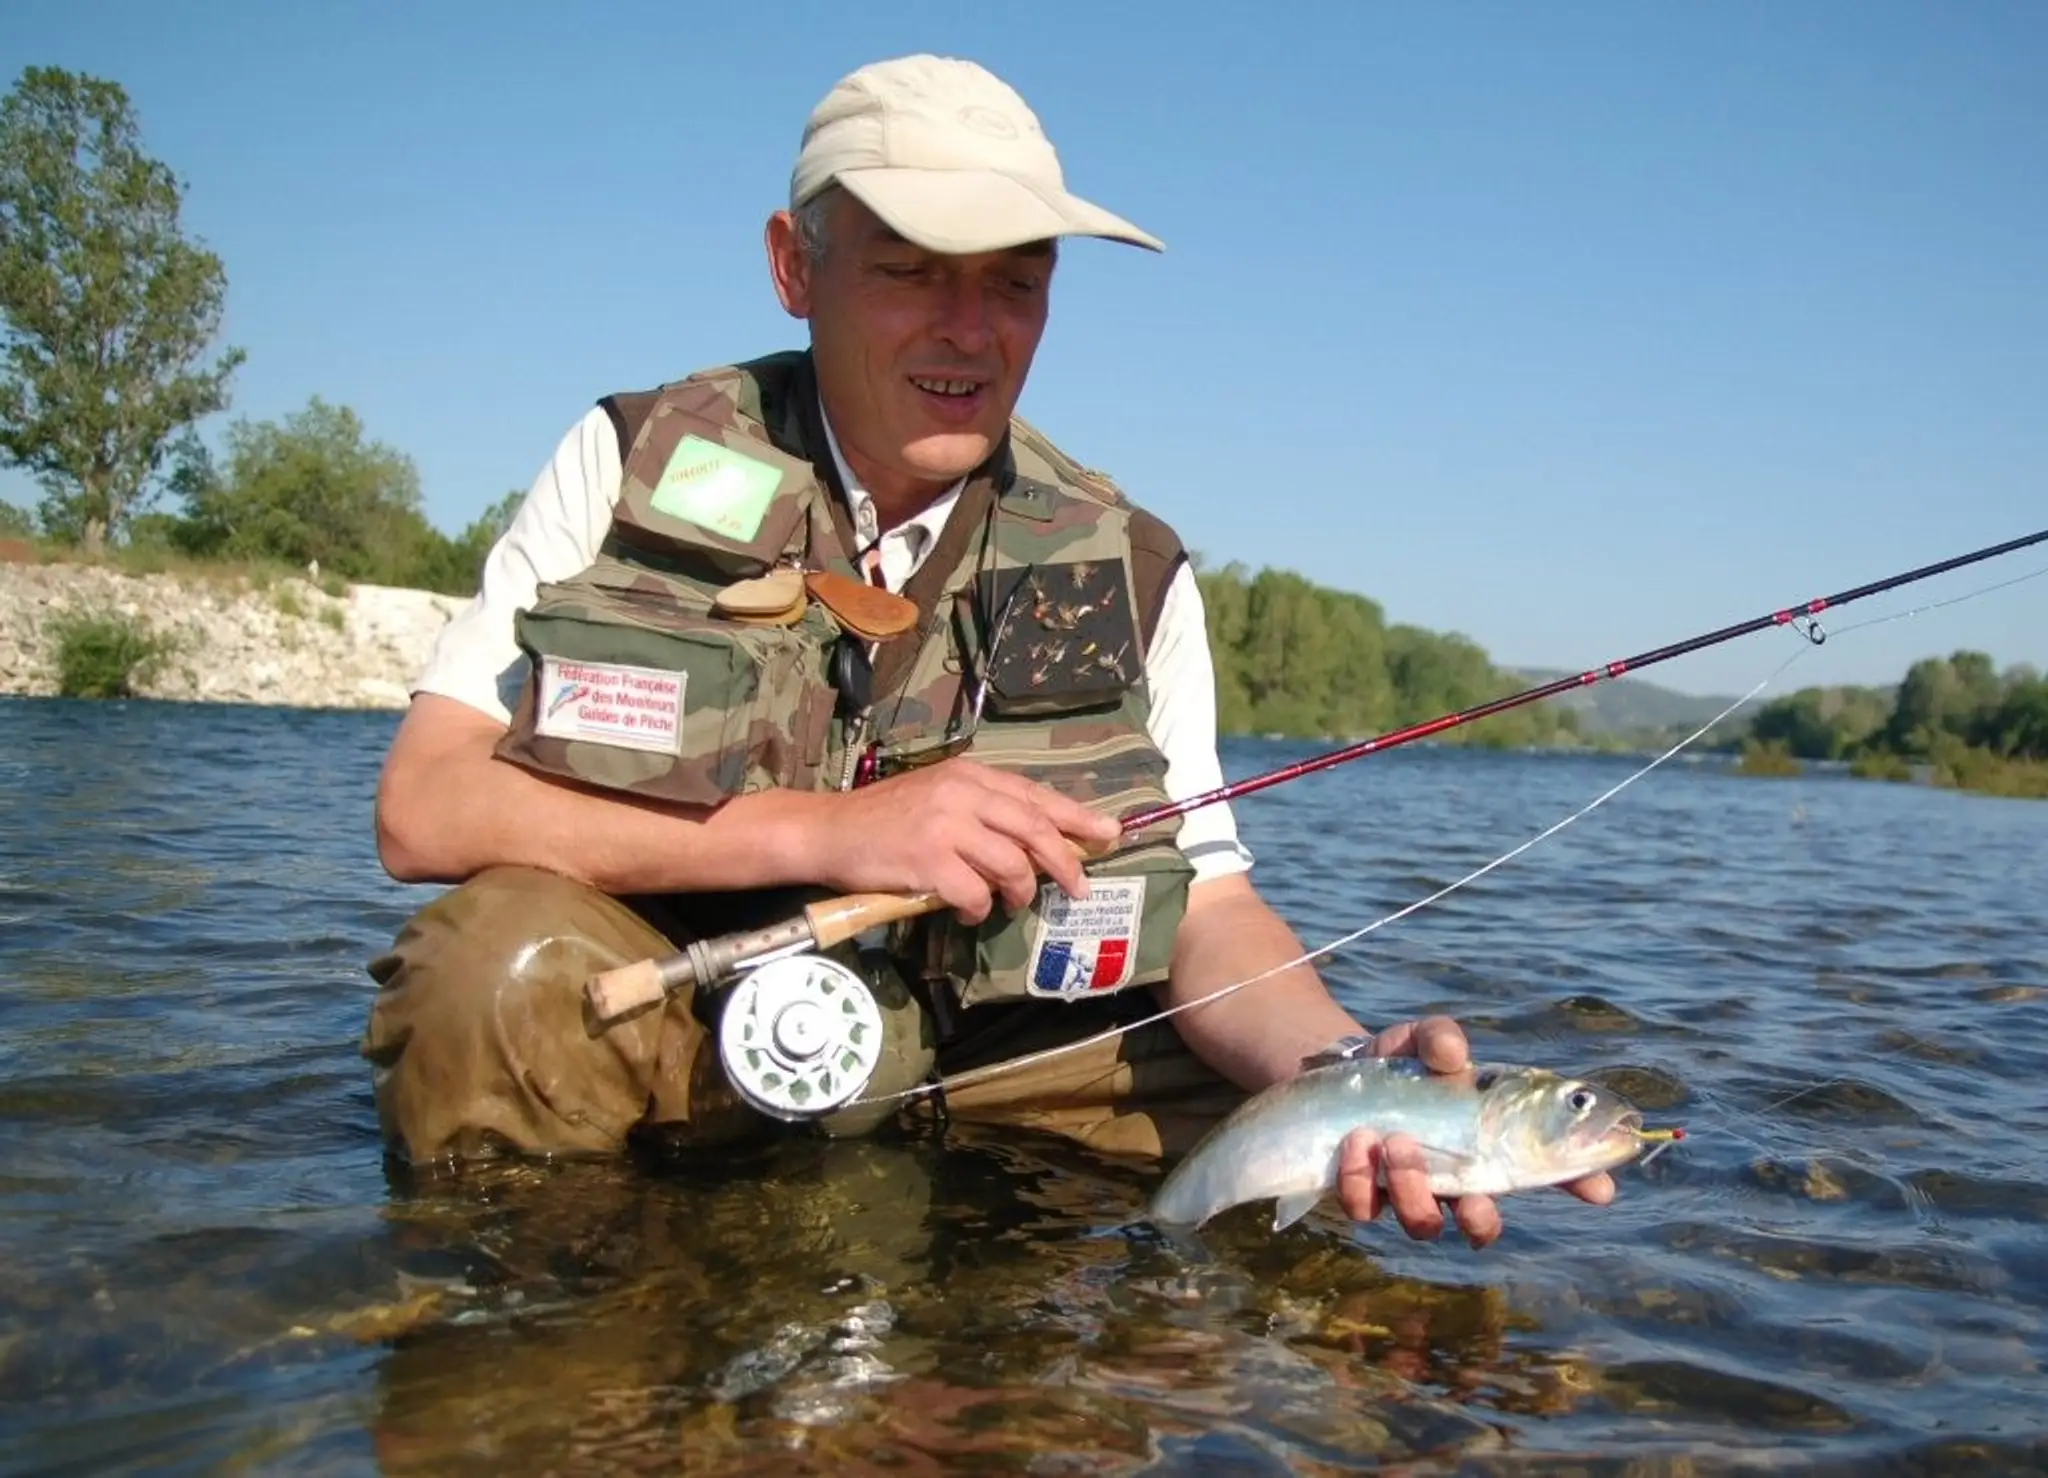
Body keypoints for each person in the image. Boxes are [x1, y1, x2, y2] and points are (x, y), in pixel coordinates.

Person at [363, 53, 1614, 1248]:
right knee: (490, 971)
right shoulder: (625, 460)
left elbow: (1208, 903)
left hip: (1002, 1054)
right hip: (680, 1019)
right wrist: (827, 832)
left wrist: (1350, 1076)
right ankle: (514, 1330)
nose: (970, 331)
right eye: (909, 271)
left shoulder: (1129, 561)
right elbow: (425, 807)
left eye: (1015, 282)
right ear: (794, 267)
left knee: (1269, 1173)